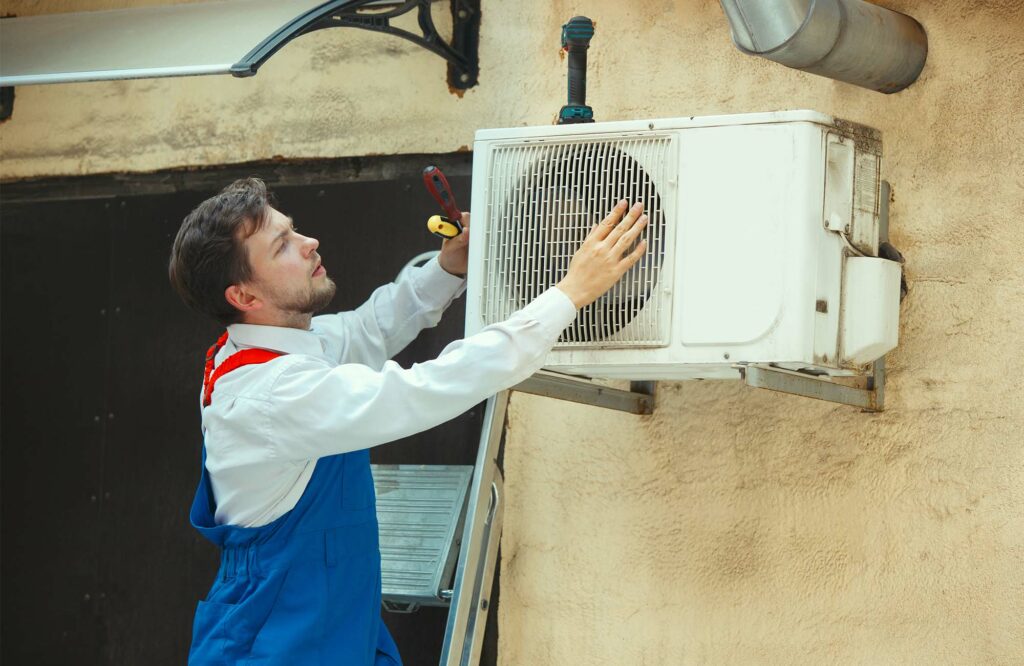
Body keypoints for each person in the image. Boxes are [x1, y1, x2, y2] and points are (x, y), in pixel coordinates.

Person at [168, 177, 648, 665]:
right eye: (283, 245)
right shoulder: (272, 395)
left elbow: (365, 329)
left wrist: (447, 268)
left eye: (294, 230)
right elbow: (425, 390)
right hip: (277, 641)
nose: (309, 243)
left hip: (331, 624)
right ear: (245, 297)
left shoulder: (273, 350)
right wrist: (568, 294)